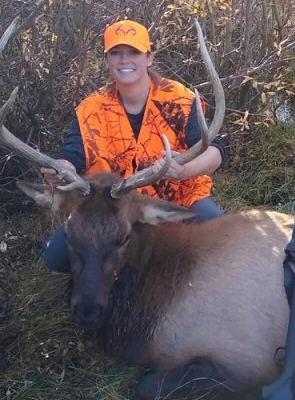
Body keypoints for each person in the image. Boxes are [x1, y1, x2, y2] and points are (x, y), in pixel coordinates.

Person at [41, 19, 227, 271]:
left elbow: (215, 151)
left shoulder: (179, 99)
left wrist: (183, 171)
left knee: (217, 239)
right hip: (112, 207)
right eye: (115, 53)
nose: (124, 60)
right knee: (56, 256)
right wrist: (61, 168)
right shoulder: (91, 109)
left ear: (149, 58)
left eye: (134, 52)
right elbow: (73, 153)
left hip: (178, 200)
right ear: (107, 60)